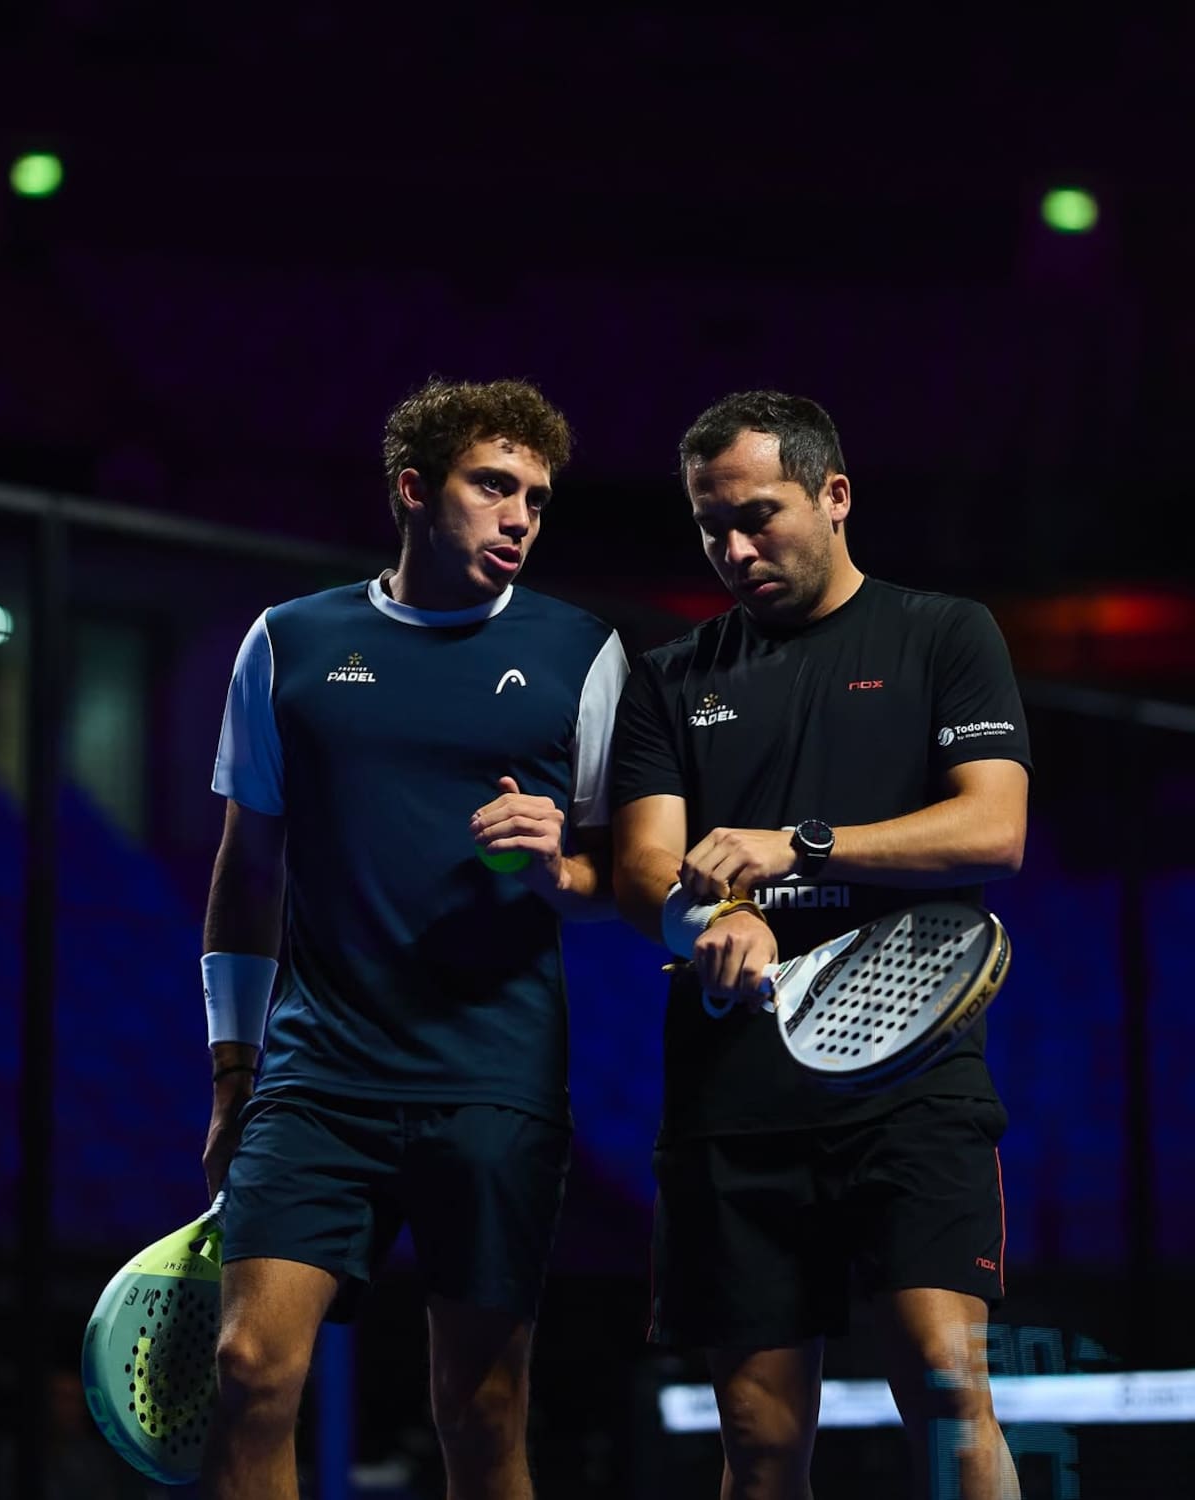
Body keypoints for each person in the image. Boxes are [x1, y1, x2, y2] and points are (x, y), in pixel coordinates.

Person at [199, 376, 628, 1500]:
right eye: (494, 486)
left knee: (481, 1414)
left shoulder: (583, 652)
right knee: (248, 1370)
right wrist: (233, 1069)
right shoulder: (288, 642)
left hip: (494, 1077)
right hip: (318, 1073)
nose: (520, 517)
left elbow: (622, 884)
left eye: (537, 498)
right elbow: (248, 871)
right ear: (413, 490)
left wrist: (559, 869)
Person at [611, 391, 1031, 1500]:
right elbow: (646, 868)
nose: (735, 550)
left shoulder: (945, 633)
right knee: (757, 1448)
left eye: (759, 516)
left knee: (946, 1391)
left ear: (834, 495)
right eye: (712, 527)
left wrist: (798, 846)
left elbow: (994, 828)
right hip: (732, 1099)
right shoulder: (668, 677)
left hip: (913, 1082)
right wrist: (717, 918)